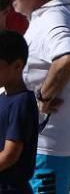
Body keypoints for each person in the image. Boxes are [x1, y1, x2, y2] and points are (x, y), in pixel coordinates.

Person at [4, 0, 70, 194]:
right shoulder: (43, 16)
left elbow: (68, 57)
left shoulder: (54, 18)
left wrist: (42, 99)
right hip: (37, 143)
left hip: (49, 144)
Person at [0, 29, 38, 194]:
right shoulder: (4, 97)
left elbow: (10, 155)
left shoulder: (22, 103)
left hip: (11, 188)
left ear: (17, 66)